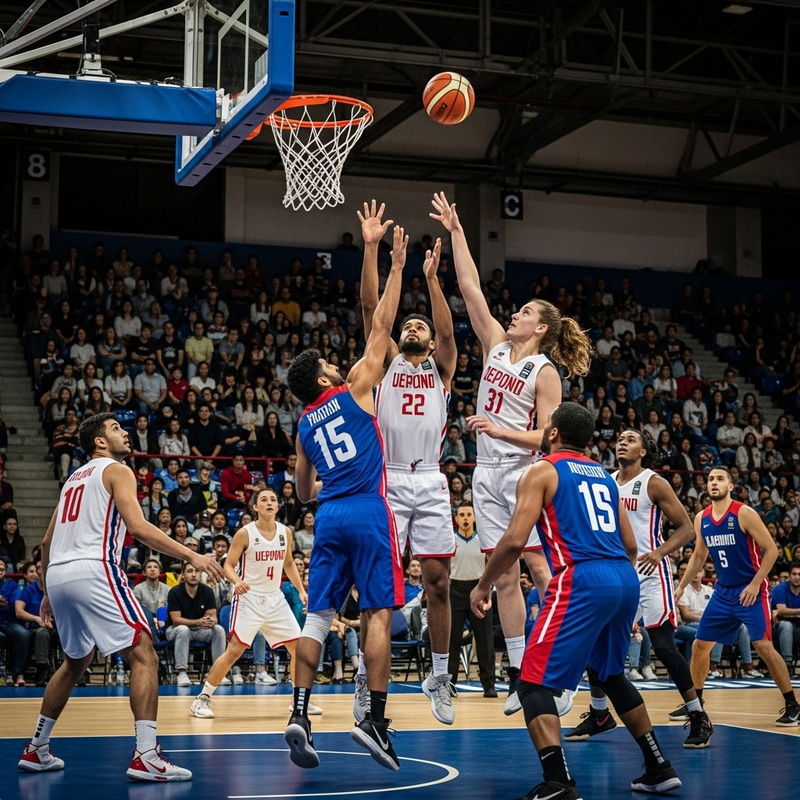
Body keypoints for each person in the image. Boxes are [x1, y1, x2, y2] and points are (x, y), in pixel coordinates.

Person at [430, 191, 593, 716]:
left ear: (541, 327)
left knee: (543, 572)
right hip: (487, 474)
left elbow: (551, 437)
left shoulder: (545, 372)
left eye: (524, 312)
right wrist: (457, 231)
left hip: (527, 472)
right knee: (503, 577)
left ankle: (563, 671)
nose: (514, 314)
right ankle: (525, 676)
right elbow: (470, 287)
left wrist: (498, 428)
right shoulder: (497, 346)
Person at [469, 403, 681, 800]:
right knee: (610, 674)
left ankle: (559, 782)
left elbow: (514, 540)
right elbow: (632, 545)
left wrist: (483, 585)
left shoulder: (542, 470)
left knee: (532, 682)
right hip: (623, 574)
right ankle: (658, 766)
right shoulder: (605, 476)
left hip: (582, 577)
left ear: (552, 434)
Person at [18, 411, 224, 780]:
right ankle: (146, 754)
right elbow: (138, 527)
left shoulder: (71, 481)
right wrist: (193, 554)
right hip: (94, 568)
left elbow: (47, 542)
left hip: (60, 575)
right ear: (99, 441)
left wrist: (48, 591)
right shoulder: (116, 470)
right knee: (144, 653)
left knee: (74, 663)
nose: (125, 432)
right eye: (115, 428)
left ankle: (36, 749)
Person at [282, 224, 408, 772]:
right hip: (367, 508)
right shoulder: (355, 384)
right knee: (378, 612)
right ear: (324, 374)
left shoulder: (304, 423)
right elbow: (381, 321)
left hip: (329, 514)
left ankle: (300, 713)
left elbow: (303, 490)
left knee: (316, 618)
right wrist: (391, 259)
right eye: (328, 363)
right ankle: (374, 721)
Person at [564, 428, 709, 742]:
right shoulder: (604, 480)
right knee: (595, 645)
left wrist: (659, 552)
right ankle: (600, 713)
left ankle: (698, 714)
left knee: (664, 648)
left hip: (651, 574)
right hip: (617, 573)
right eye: (619, 439)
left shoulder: (654, 482)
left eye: (630, 439)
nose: (622, 442)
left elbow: (686, 529)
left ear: (644, 451)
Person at [675, 466, 800, 730]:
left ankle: (793, 705)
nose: (714, 483)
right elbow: (699, 556)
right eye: (710, 479)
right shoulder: (702, 518)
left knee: (763, 645)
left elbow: (772, 551)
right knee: (700, 645)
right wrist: (681, 587)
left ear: (731, 486)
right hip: (723, 592)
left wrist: (755, 584)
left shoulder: (744, 513)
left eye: (720, 479)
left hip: (750, 589)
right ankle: (695, 704)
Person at [190, 487, 312, 718]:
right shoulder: (245, 533)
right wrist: (236, 581)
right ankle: (202, 698)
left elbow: (288, 564)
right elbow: (228, 564)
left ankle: (298, 700)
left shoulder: (285, 532)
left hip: (275, 599)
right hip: (248, 598)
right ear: (255, 507)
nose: (269, 502)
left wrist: (301, 590)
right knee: (234, 651)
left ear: (278, 506)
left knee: (300, 650)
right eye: (263, 499)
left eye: (273, 499)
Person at [448, 502, 496, 697]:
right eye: (462, 515)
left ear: (475, 518)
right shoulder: (450, 540)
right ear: (456, 519)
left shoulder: (483, 540)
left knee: (485, 638)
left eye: (469, 514)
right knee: (452, 639)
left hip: (480, 587)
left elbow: (493, 564)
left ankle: (489, 685)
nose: (466, 518)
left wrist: (488, 587)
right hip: (455, 588)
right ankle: (449, 683)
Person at [166, 561, 227, 687]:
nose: (193, 574)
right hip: (175, 630)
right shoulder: (175, 592)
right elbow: (176, 620)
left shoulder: (207, 591)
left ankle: (219, 673)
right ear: (183, 574)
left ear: (201, 574)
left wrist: (209, 622)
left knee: (219, 630)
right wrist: (198, 621)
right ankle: (182, 673)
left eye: (197, 571)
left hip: (199, 630)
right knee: (183, 630)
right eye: (189, 571)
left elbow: (214, 617)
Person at [0, 559, 32, 687]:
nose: (0, 570)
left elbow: (15, 604)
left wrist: (5, 603)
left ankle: (18, 673)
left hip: (9, 622)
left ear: (5, 571)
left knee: (23, 634)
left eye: (2, 568)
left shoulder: (12, 586)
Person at [772, 560, 800, 668]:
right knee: (786, 625)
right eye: (794, 574)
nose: (797, 577)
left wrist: (792, 612)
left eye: (799, 574)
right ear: (789, 575)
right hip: (778, 627)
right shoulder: (781, 588)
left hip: (798, 626)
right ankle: (787, 664)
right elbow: (781, 610)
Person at [133, 558, 170, 638]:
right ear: (144, 572)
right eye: (149, 567)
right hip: (146, 624)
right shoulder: (138, 589)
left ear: (160, 571)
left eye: (155, 567)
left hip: (164, 622)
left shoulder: (168, 589)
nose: (152, 569)